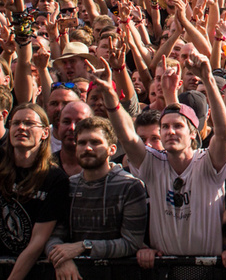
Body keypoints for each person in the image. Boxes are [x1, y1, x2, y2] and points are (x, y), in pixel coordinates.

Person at [102, 49, 226, 263]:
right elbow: (127, 137)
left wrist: (208, 78)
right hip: (164, 268)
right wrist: (110, 96)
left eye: (178, 126)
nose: (170, 131)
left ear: (193, 134)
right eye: (165, 127)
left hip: (208, 268)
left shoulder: (209, 163)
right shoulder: (153, 163)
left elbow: (224, 133)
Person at [45, 116, 148, 280]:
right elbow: (51, 235)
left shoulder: (130, 186)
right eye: (82, 143)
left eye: (95, 142)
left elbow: (131, 243)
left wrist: (83, 247)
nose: (88, 148)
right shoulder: (67, 185)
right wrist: (61, 259)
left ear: (112, 149)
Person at [0, 104, 69, 280]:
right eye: (16, 123)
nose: (21, 127)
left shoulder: (55, 178)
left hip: (33, 269)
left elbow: (38, 241)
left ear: (45, 132)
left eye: (29, 123)